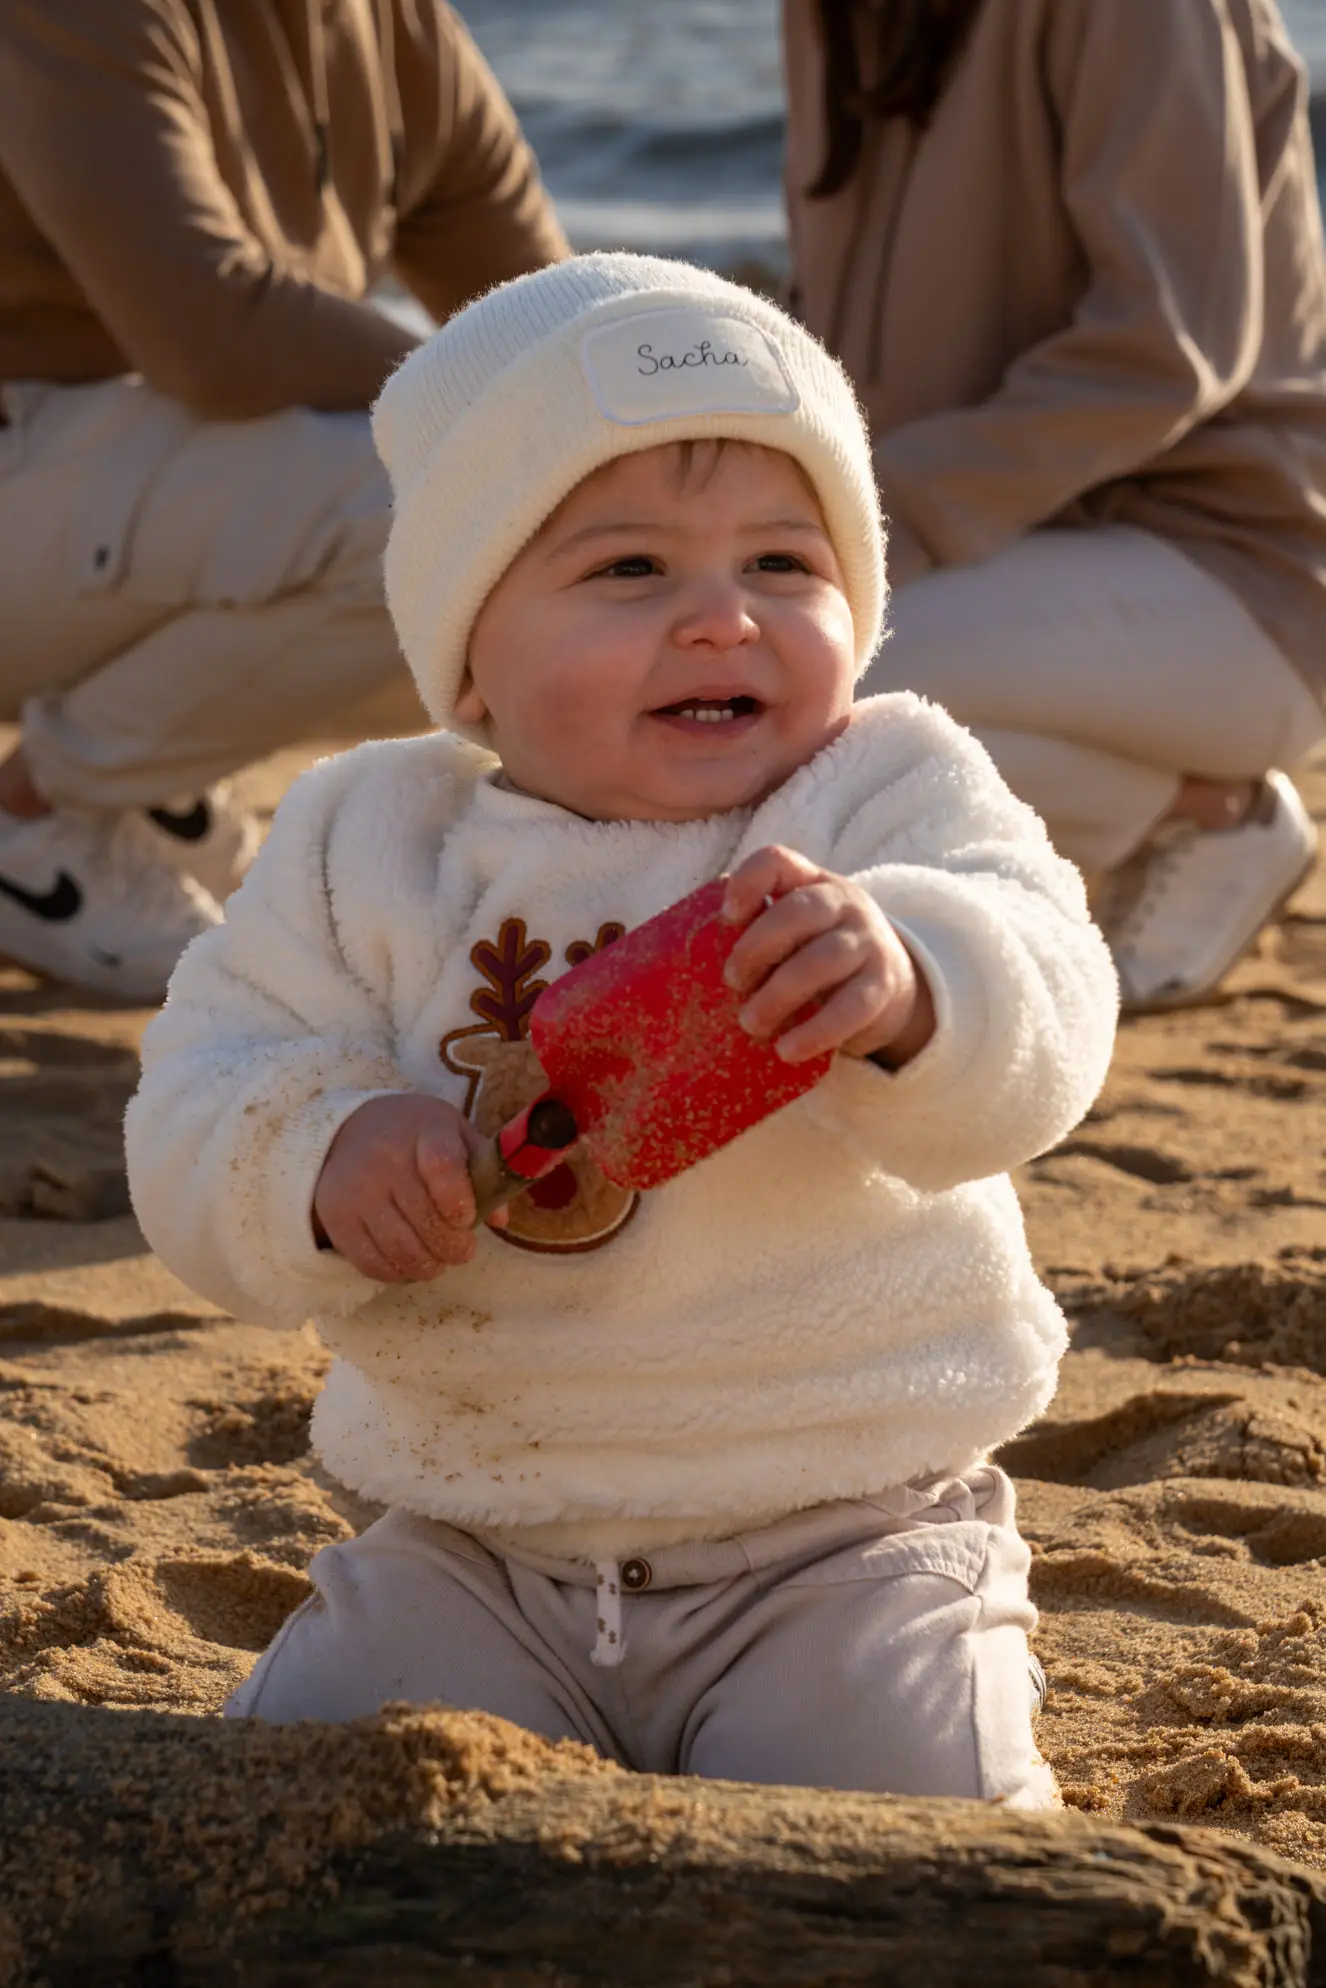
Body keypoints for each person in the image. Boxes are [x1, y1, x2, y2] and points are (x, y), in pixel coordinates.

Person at [127, 254, 1117, 1802]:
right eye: (629, 572)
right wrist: (318, 1150)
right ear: (469, 649)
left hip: (841, 1530)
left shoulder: (883, 797)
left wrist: (920, 984)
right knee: (297, 1798)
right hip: (475, 1539)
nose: (724, 621)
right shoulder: (364, 840)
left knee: (910, 1816)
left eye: (785, 564)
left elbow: (1053, 993)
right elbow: (201, 1089)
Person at [0, 0, 567, 1000]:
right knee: (442, 516)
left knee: (564, 526)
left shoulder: (400, 27)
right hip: (32, 453)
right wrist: (504, 413)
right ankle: (39, 810)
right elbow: (207, 331)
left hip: (123, 493)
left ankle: (146, 791)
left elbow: (548, 319)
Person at [783, 0, 1326, 1011]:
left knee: (796, 673)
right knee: (742, 670)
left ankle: (1199, 817)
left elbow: (1171, 347)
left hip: (1242, 573)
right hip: (1015, 548)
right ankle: (1191, 812)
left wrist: (868, 520)